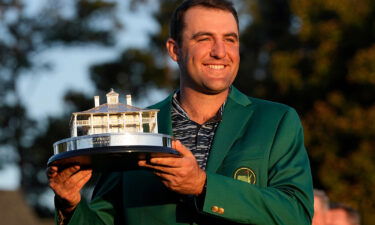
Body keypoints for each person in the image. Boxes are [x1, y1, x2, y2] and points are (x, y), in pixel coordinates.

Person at [47, 0, 314, 224]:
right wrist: (71, 206)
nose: (220, 52)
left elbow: (296, 214)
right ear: (175, 50)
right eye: (204, 39)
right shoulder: (134, 128)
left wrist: (203, 186)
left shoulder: (275, 120)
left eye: (230, 40)